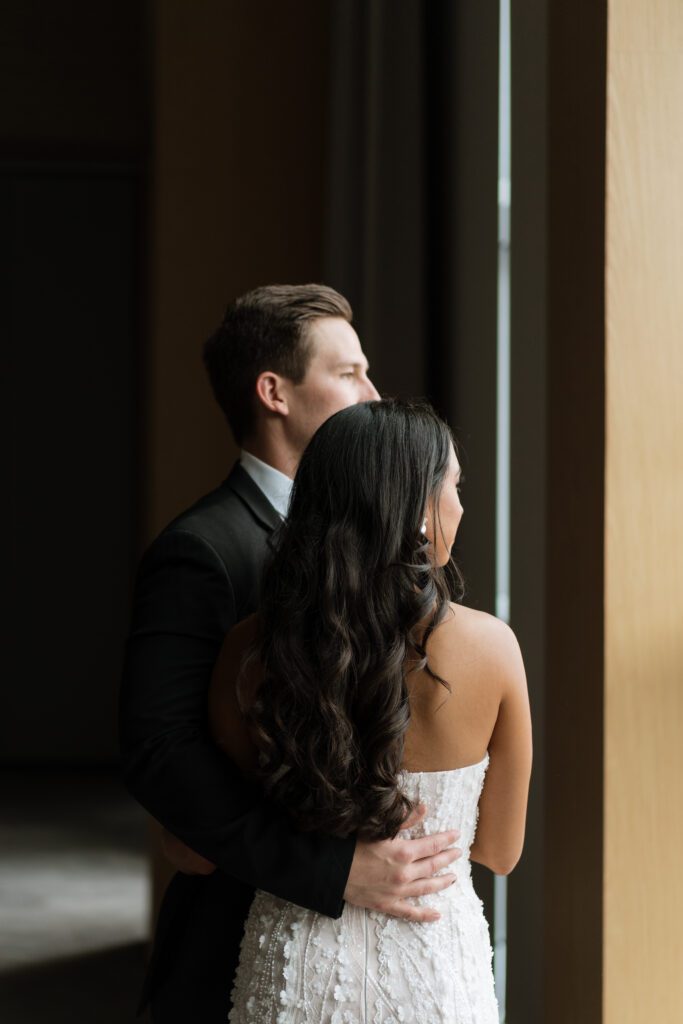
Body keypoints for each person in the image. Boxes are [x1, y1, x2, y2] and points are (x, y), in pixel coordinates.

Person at [119, 285, 465, 1022]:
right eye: (349, 373)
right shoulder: (202, 550)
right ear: (273, 392)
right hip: (246, 928)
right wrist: (328, 869)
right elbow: (158, 747)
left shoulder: (387, 536)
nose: (373, 393)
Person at [209, 398, 533, 1023]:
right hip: (432, 968)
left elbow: (220, 823)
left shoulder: (249, 652)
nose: (462, 507)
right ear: (411, 510)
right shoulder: (494, 649)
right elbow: (499, 850)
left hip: (294, 965)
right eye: (453, 488)